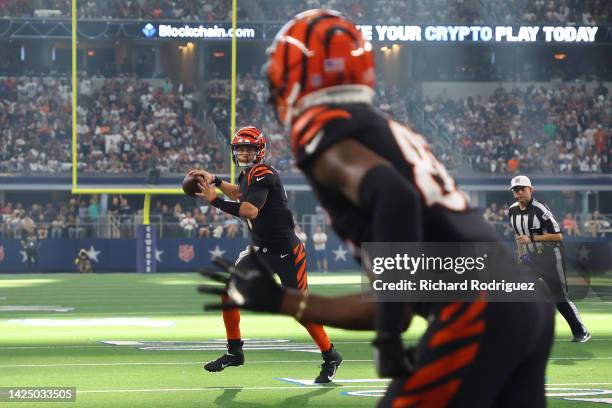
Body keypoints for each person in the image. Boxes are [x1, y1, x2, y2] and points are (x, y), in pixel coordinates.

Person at [200, 10, 555, 408]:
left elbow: (394, 198)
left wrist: (388, 337)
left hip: (480, 311)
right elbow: (394, 299)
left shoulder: (327, 132)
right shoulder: (380, 128)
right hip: (521, 300)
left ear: (293, 78)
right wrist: (286, 302)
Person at [190, 126, 342, 383]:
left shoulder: (263, 173)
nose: (244, 153)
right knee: (228, 295)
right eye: (240, 149)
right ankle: (234, 351)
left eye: (248, 149)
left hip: (286, 253)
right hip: (260, 250)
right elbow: (239, 194)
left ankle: (330, 355)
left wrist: (214, 200)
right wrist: (215, 180)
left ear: (259, 151)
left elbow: (249, 210)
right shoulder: (248, 175)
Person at [509, 175, 590, 342]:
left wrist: (531, 239)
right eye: (515, 190)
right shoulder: (512, 210)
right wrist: (521, 254)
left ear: (530, 190)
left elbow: (558, 235)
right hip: (530, 257)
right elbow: (518, 236)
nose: (518, 193)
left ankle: (581, 332)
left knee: (559, 295)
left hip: (551, 256)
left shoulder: (540, 209)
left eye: (522, 189)